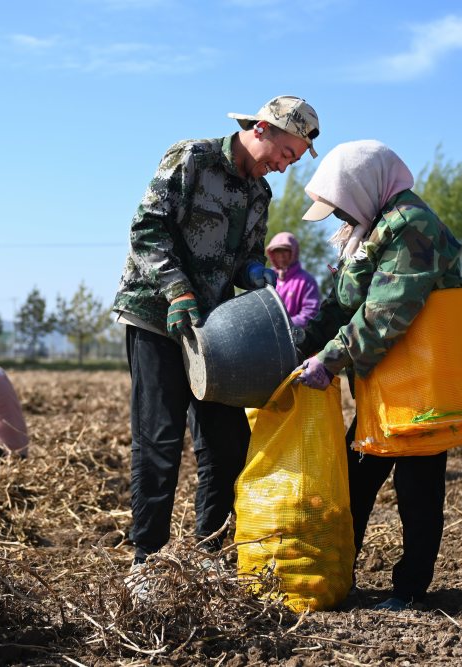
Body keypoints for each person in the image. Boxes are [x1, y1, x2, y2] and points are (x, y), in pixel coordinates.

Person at [112, 95, 321, 579]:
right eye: (285, 154)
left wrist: (256, 273)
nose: (283, 167)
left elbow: (245, 256)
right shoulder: (194, 158)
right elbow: (147, 228)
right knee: (159, 438)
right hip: (154, 315)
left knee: (227, 444)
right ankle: (146, 563)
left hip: (213, 331)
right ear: (263, 129)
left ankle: (209, 555)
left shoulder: (259, 195)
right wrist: (176, 289)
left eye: (292, 161)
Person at [294, 140, 462, 611]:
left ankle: (410, 591)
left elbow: (385, 311)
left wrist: (329, 361)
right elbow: (340, 307)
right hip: (384, 392)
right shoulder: (368, 231)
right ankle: (334, 576)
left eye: (340, 205)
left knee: (417, 492)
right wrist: (298, 342)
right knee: (353, 483)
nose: (336, 218)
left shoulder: (413, 227)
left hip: (421, 390)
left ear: (364, 186)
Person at [265, 231, 321, 327]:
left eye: (285, 251)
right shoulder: (266, 278)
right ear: (272, 254)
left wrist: (283, 325)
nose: (281, 256)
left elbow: (310, 313)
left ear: (294, 252)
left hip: (294, 337)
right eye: (277, 251)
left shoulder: (306, 281)